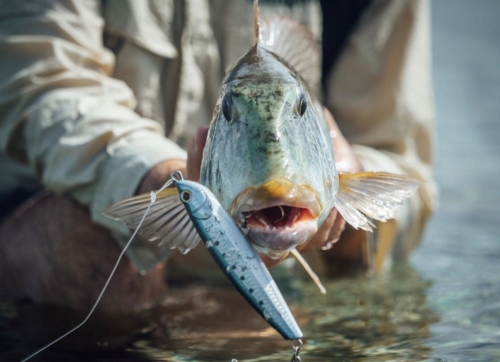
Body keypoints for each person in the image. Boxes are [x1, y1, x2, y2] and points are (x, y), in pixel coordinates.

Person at [0, 0, 437, 311]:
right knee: (95, 249)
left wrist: (346, 198)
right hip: (82, 226)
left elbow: (407, 170)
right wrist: (166, 181)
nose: (275, 183)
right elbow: (42, 85)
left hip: (290, 285)